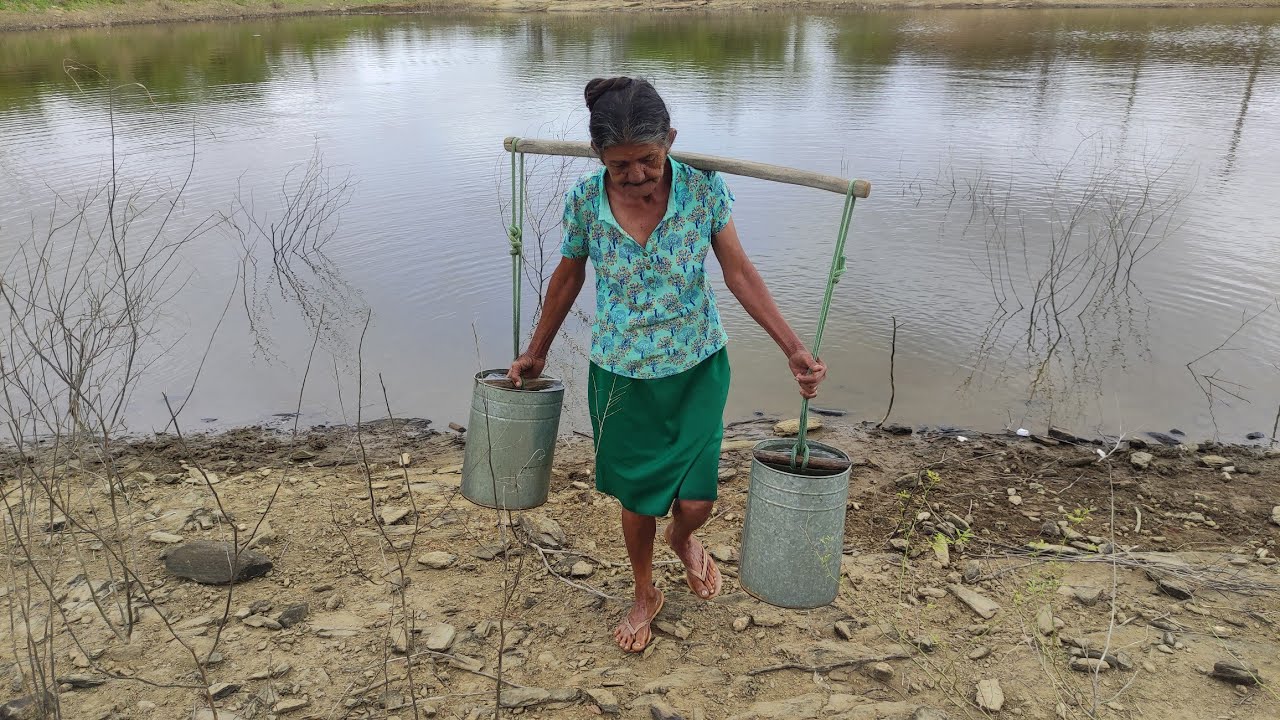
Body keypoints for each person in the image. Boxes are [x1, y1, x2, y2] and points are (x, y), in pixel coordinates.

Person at [508, 76, 827, 653]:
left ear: (670, 141)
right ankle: (643, 590)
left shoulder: (703, 189)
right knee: (636, 500)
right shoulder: (585, 200)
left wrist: (793, 347)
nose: (634, 176)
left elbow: (739, 273)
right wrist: (537, 349)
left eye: (648, 160)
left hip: (697, 366)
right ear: (598, 156)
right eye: (619, 164)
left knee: (697, 499)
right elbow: (568, 277)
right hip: (621, 373)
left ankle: (684, 540)